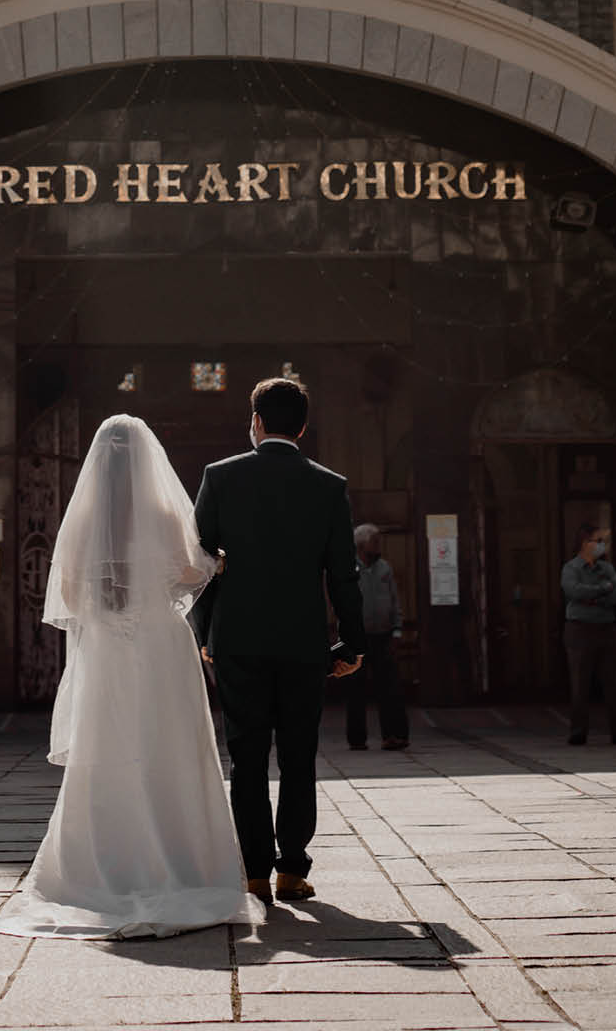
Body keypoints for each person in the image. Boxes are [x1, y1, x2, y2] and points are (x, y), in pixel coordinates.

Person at [0, 415, 264, 939]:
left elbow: (67, 597)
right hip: (162, 645)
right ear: (146, 461)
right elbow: (189, 573)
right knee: (171, 748)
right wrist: (215, 562)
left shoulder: (84, 521)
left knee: (108, 748)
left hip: (109, 647)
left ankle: (100, 869)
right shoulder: (163, 512)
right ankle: (184, 866)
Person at [194, 377, 364, 904]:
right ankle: (293, 868)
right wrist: (351, 644)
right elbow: (344, 574)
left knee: (246, 758)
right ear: (304, 426)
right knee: (298, 754)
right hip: (303, 643)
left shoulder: (220, 478)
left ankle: (253, 872)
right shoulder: (329, 486)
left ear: (257, 422)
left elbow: (197, 564)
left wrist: (206, 632)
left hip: (238, 641)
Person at [560, 523, 616, 745]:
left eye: (602, 541)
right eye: (597, 541)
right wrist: (602, 590)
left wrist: (593, 598)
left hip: (607, 629)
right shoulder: (571, 568)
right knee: (580, 683)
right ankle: (578, 731)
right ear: (584, 543)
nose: (601, 545)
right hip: (579, 630)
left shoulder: (606, 568)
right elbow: (573, 591)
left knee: (613, 683)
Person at [346, 523, 410, 751]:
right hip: (358, 637)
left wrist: (397, 629)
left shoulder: (385, 569)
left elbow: (395, 600)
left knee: (390, 687)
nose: (378, 545)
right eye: (374, 541)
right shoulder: (349, 569)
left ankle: (395, 735)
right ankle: (356, 738)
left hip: (383, 635)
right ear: (362, 545)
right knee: (356, 689)